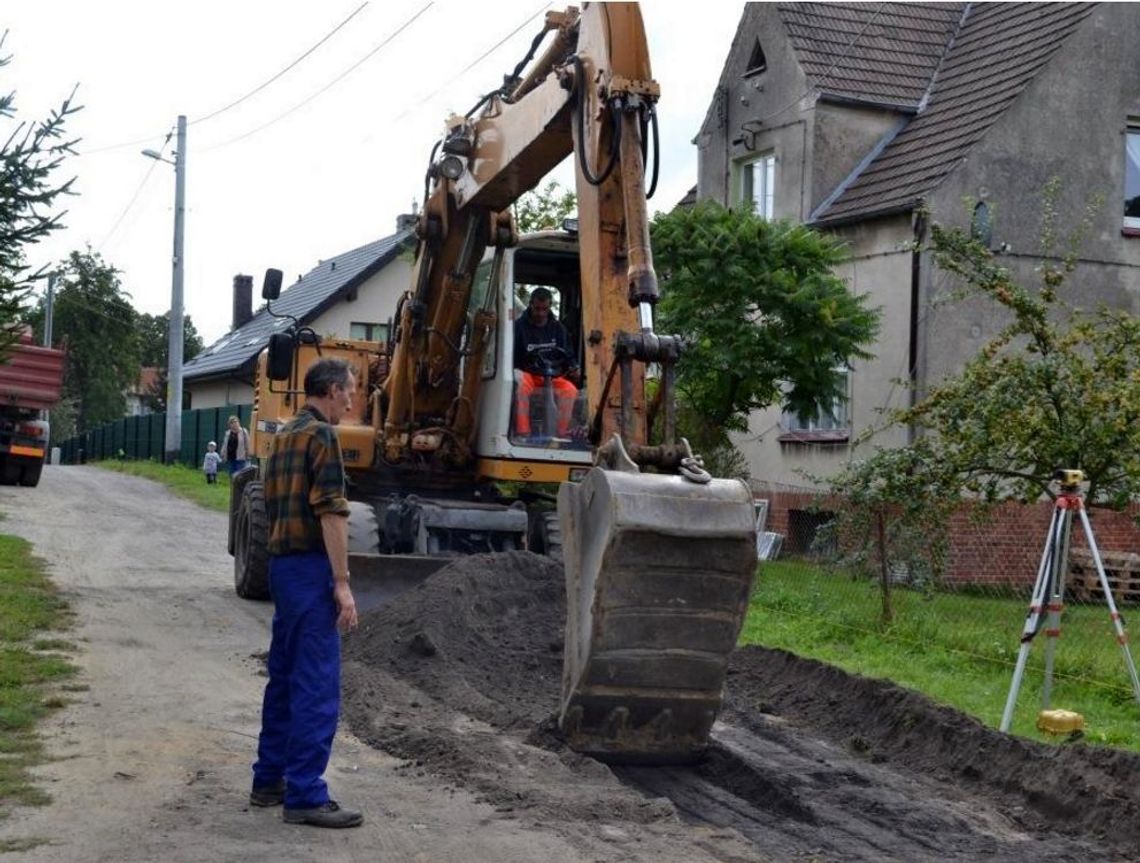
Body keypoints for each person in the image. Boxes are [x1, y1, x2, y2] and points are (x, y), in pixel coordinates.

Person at [249, 358, 363, 829]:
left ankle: (269, 780)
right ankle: (306, 795)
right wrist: (342, 583)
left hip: (282, 568)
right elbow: (332, 513)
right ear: (332, 390)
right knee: (316, 682)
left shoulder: (282, 438)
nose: (352, 402)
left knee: (285, 677)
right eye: (350, 392)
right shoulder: (323, 438)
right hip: (312, 569)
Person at [512, 287, 579, 438]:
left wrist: (573, 367)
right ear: (530, 305)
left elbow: (568, 355)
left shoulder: (558, 329)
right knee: (521, 387)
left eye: (544, 309)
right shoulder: (518, 328)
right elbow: (513, 356)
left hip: (552, 376)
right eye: (537, 309)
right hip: (528, 374)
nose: (541, 313)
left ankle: (561, 433)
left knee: (570, 390)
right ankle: (523, 432)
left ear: (549, 307)